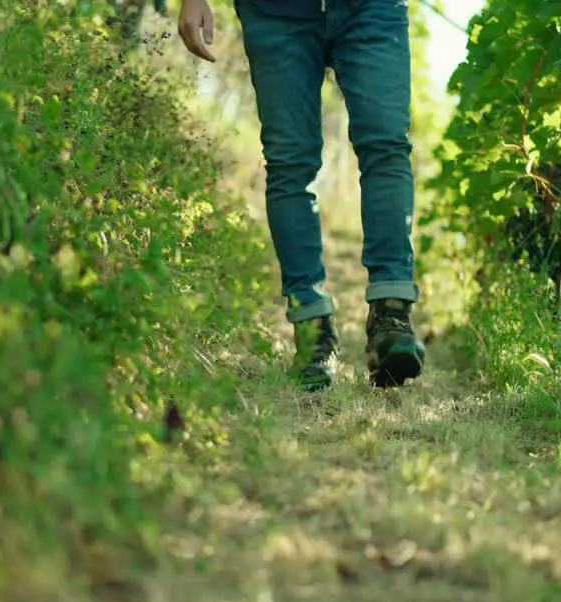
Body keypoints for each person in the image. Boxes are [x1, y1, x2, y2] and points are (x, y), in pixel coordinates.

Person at [177, 0, 426, 391]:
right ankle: (312, 333)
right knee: (290, 164)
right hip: (275, 12)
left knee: (387, 145)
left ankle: (391, 314)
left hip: (371, 8)